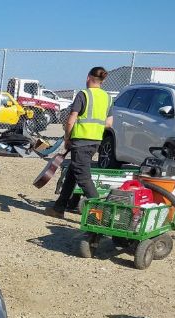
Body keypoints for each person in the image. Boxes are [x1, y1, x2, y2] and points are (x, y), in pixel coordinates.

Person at [49, 67, 113, 218]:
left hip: (81, 142)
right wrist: (94, 127)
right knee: (73, 172)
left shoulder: (83, 94)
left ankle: (101, 213)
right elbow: (109, 123)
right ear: (102, 81)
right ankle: (58, 208)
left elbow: (71, 119)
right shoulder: (108, 98)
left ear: (87, 77)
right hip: (95, 142)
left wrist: (67, 137)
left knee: (83, 177)